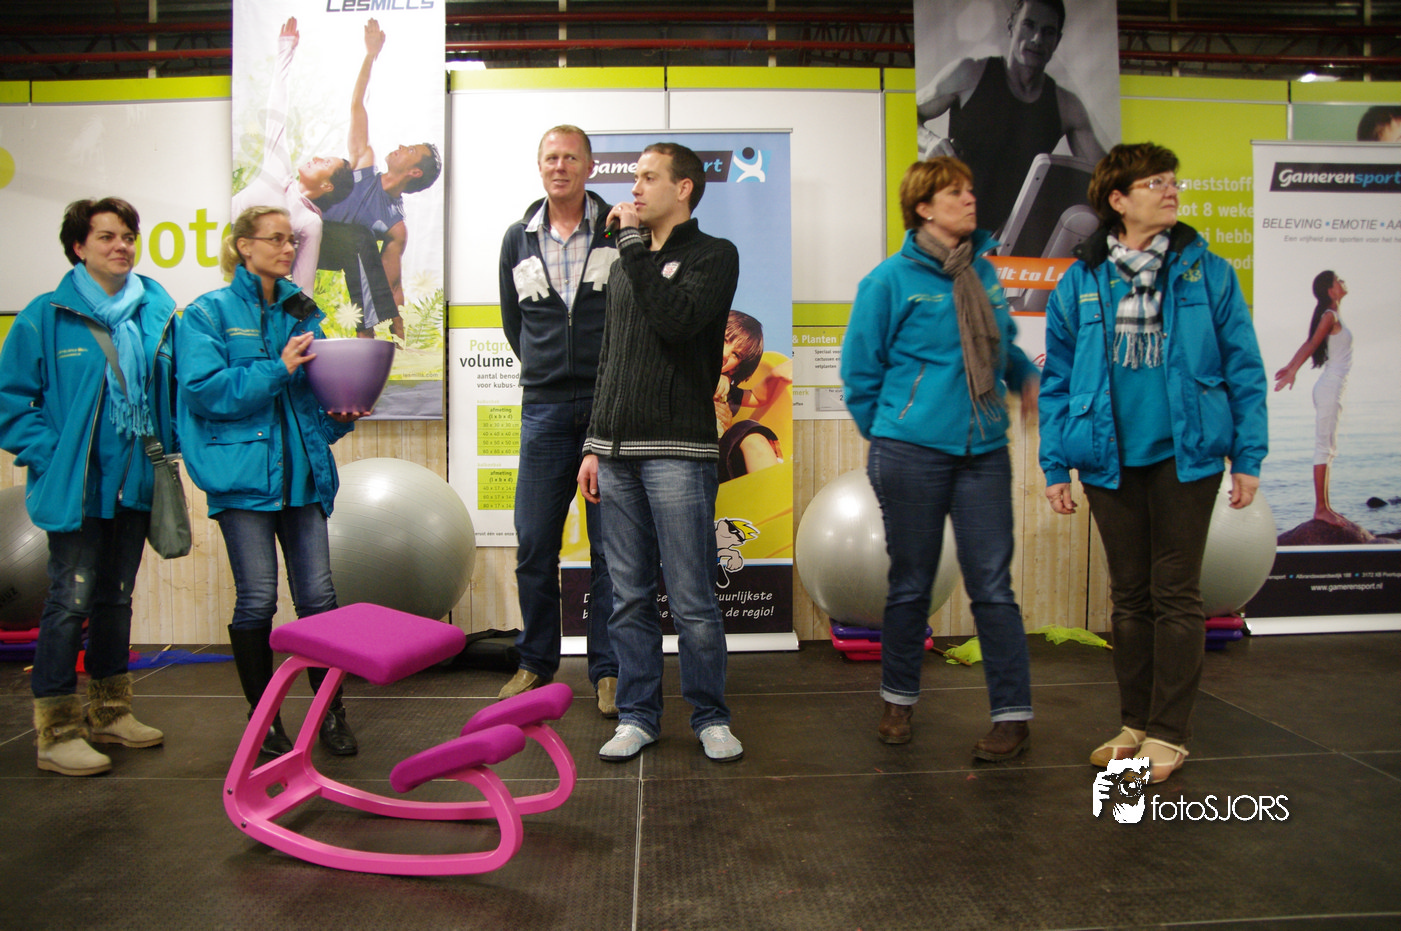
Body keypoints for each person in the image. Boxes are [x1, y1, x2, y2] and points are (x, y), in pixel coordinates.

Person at [1038, 142, 1268, 784]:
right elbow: (1057, 382)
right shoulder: (1081, 280)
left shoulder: (1208, 273)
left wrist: (1248, 456)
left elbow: (1244, 367)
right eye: (1155, 183)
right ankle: (1135, 723)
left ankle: (1170, 733)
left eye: (1172, 181)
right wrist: (1054, 465)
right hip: (1106, 457)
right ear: (1117, 199)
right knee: (1130, 596)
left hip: (1187, 456)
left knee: (1176, 593)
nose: (1171, 191)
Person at [841, 157, 1039, 761]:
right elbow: (860, 375)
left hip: (984, 451)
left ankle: (1012, 716)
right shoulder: (888, 281)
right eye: (955, 192)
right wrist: (897, 430)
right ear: (923, 207)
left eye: (971, 189)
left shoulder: (984, 271)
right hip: (910, 454)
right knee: (911, 584)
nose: (969, 199)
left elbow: (1002, 348)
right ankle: (898, 701)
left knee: (993, 587)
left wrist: (1025, 376)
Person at [177, 206, 367, 759]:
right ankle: (265, 723)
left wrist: (340, 415)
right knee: (257, 600)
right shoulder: (207, 313)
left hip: (304, 479)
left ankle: (331, 713)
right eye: (277, 239)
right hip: (242, 482)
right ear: (244, 246)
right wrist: (277, 368)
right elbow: (205, 392)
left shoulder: (303, 312)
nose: (288, 249)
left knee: (320, 601)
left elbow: (313, 402)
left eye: (292, 241)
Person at [576, 142, 743, 763]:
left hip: (679, 451)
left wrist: (631, 247)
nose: (635, 189)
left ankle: (710, 717)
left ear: (684, 188)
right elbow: (611, 358)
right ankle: (638, 715)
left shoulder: (714, 255)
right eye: (635, 178)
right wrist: (593, 445)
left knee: (692, 596)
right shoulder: (629, 262)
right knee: (628, 596)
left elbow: (676, 320)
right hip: (615, 452)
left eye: (649, 178)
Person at [0, 198, 175, 776]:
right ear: (79, 247)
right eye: (106, 237)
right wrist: (53, 456)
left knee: (116, 598)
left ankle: (110, 712)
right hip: (76, 488)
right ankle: (56, 731)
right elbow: (11, 401)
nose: (121, 246)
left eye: (128, 236)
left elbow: (172, 393)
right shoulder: (44, 315)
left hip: (133, 483)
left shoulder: (156, 312)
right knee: (68, 600)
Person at [497, 124, 618, 714]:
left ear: (590, 166)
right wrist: (547, 367)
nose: (560, 166)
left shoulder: (617, 230)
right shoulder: (517, 239)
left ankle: (609, 669)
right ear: (539, 165)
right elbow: (513, 323)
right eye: (551, 157)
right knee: (534, 542)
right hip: (543, 408)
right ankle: (535, 662)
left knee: (610, 549)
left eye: (571, 157)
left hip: (607, 404)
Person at [915, 0, 1106, 236]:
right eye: (1029, 25)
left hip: (1011, 242)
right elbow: (908, 114)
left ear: (1057, 40)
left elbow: (1105, 176)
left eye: (1048, 32)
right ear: (1011, 26)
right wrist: (931, 142)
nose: (1037, 39)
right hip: (954, 231)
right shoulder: (968, 74)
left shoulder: (1066, 105)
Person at [318, 18, 442, 342]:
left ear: (415, 172)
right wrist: (370, 55)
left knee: (359, 240)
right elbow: (357, 104)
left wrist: (398, 329)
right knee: (358, 238)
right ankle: (366, 332)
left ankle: (369, 336)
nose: (401, 146)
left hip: (332, 251)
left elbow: (391, 283)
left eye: (410, 150)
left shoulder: (395, 226)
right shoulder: (364, 162)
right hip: (303, 232)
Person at [232, 17, 354, 294]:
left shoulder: (309, 222)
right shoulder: (279, 168)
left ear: (327, 185)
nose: (316, 157)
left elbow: (303, 285)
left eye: (325, 162)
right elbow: (277, 109)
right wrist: (285, 48)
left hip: (245, 283)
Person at [1273, 270, 1353, 528]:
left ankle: (1326, 506)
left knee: (1329, 448)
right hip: (1329, 388)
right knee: (1324, 447)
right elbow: (1311, 344)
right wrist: (1292, 369)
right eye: (1338, 280)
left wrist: (1291, 367)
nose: (1343, 282)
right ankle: (1320, 509)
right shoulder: (1330, 316)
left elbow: (1310, 343)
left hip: (1333, 388)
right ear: (1331, 290)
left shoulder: (1334, 315)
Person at [714, 310, 788, 482]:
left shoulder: (726, 390)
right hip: (682, 451)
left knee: (749, 431)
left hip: (717, 461)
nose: (725, 354)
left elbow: (756, 397)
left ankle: (772, 488)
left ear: (735, 368)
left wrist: (775, 375)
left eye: (736, 355)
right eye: (724, 340)